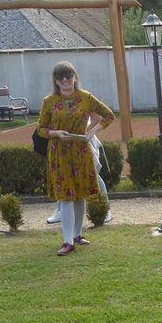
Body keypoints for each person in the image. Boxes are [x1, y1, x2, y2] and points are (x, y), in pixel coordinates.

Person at [36, 61, 115, 255]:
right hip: (59, 152)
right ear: (56, 80)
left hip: (80, 150)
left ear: (74, 77)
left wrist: (90, 132)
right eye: (61, 77)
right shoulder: (49, 101)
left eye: (68, 76)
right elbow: (41, 129)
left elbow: (108, 115)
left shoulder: (85, 97)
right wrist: (56, 134)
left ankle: (77, 235)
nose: (65, 80)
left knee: (79, 194)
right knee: (66, 196)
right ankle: (67, 240)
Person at [46, 134, 114, 225]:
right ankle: (60, 210)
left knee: (94, 176)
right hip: (63, 144)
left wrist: (89, 132)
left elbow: (99, 120)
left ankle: (104, 208)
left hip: (84, 143)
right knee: (63, 177)